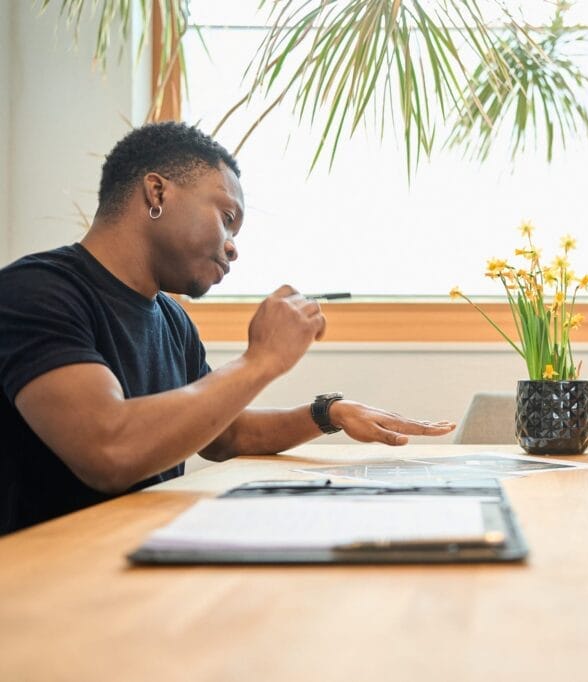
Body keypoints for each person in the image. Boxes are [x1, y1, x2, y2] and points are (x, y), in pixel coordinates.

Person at [0, 122, 456, 534]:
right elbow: (109, 450)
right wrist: (261, 361)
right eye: (226, 218)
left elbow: (224, 434)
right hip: (44, 577)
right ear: (157, 193)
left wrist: (327, 413)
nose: (233, 247)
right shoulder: (35, 291)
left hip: (139, 554)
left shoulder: (171, 319)